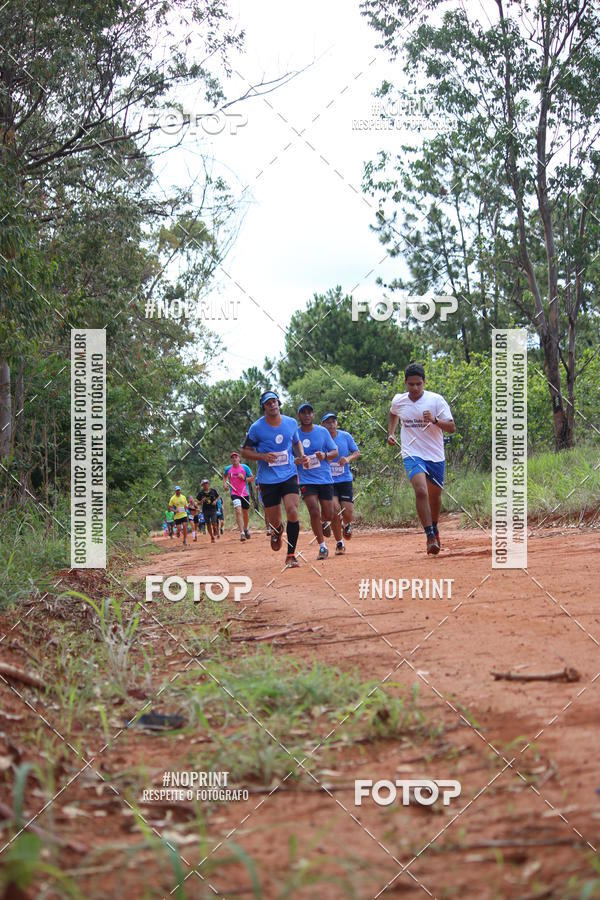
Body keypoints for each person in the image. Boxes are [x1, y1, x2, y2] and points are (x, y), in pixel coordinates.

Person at [387, 363, 455, 555]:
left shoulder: (436, 400)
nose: (415, 388)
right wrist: (391, 433)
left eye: (419, 384)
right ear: (405, 383)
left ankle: (434, 527)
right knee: (421, 490)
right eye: (411, 384)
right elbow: (393, 413)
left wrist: (434, 420)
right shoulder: (399, 401)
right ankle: (429, 536)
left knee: (435, 496)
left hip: (434, 455)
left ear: (425, 382)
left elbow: (451, 427)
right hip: (411, 453)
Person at [241, 390, 305, 567]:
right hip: (268, 479)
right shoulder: (256, 428)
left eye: (274, 401)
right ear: (264, 407)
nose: (272, 405)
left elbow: (296, 441)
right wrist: (262, 456)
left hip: (289, 473)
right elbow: (244, 451)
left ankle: (291, 555)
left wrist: (302, 455)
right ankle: (277, 530)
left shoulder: (291, 423)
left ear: (279, 403)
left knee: (292, 511)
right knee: (275, 520)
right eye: (268, 403)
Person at [295, 403, 338, 560]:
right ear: (299, 415)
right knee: (313, 510)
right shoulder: (295, 434)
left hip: (324, 478)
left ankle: (324, 522)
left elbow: (335, 451)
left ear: (313, 415)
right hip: (306, 479)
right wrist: (297, 460)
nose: (306, 415)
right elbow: (287, 457)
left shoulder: (322, 432)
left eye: (309, 412)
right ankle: (322, 547)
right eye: (303, 413)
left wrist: (325, 456)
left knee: (329, 513)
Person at [321, 413, 360, 555]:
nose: (331, 424)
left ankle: (346, 524)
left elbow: (357, 452)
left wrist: (348, 458)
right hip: (328, 481)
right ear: (323, 425)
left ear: (336, 423)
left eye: (333, 421)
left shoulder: (345, 436)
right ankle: (339, 543)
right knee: (335, 510)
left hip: (345, 480)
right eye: (328, 422)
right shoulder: (321, 438)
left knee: (348, 512)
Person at [223, 450, 254, 542]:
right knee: (238, 511)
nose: (234, 458)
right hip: (234, 493)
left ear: (239, 458)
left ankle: (246, 528)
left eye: (236, 457)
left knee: (245, 512)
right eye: (232, 457)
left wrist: (244, 478)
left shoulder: (245, 468)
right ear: (231, 460)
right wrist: (225, 484)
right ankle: (241, 533)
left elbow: (252, 478)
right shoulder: (228, 469)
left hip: (244, 493)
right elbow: (224, 476)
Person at [197, 479, 220, 543]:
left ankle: (215, 529)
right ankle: (212, 537)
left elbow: (218, 497)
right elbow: (197, 502)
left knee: (214, 522)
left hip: (213, 509)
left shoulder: (213, 491)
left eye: (206, 483)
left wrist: (215, 501)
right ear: (202, 486)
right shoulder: (201, 493)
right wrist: (202, 501)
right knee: (208, 524)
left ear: (208, 484)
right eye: (204, 484)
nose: (205, 485)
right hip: (205, 510)